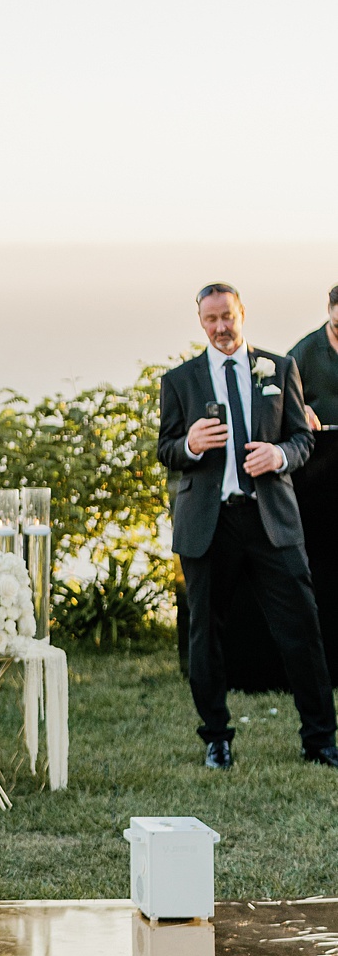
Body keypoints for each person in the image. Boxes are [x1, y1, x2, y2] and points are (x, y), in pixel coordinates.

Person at [157, 282, 337, 771]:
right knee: (205, 636)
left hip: (271, 520)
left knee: (302, 628)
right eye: (211, 319)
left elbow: (302, 439)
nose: (220, 327)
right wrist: (190, 443)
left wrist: (279, 454)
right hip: (209, 524)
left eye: (227, 317)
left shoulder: (279, 368)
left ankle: (320, 739)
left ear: (242, 314)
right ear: (201, 321)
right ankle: (216, 737)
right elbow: (166, 449)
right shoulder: (180, 380)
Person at [290, 285, 338, 428]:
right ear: (328, 310)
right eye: (337, 325)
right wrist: (302, 409)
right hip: (322, 443)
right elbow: (284, 397)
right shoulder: (303, 351)